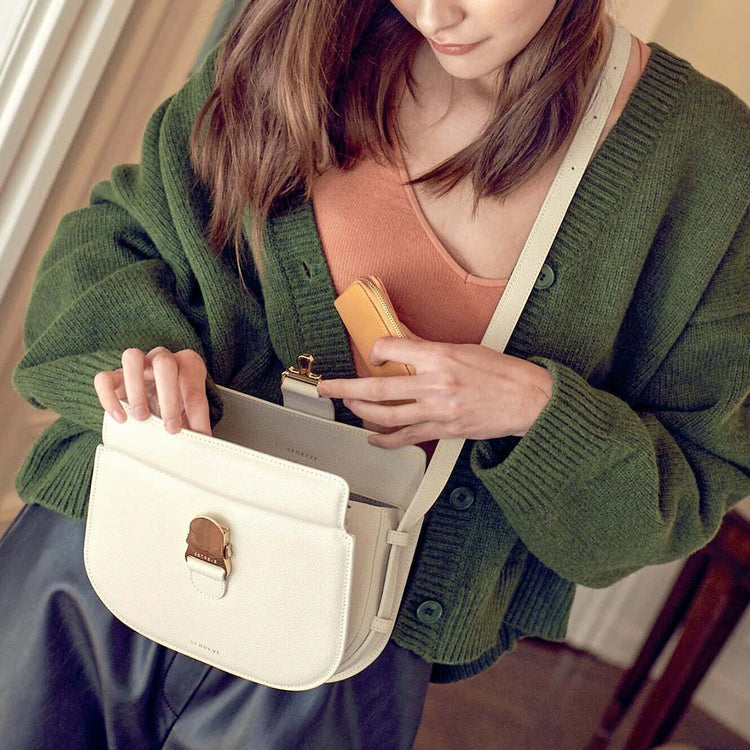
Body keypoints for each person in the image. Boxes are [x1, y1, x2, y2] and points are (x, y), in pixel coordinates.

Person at [1, 0, 748, 748]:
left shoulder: (711, 167)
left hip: (342, 653)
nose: (433, 12)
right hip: (99, 554)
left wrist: (531, 408)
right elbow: (114, 238)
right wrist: (146, 358)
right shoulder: (300, 33)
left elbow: (677, 495)